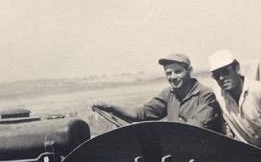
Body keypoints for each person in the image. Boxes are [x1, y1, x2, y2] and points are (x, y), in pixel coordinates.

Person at [92, 53, 221, 131]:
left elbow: (194, 129)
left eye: (178, 71)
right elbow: (140, 114)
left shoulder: (205, 95)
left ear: (190, 70)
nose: (173, 77)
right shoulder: (168, 94)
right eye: (168, 73)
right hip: (180, 148)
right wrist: (110, 107)